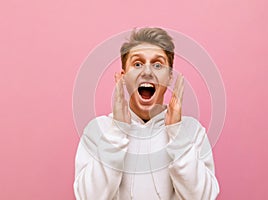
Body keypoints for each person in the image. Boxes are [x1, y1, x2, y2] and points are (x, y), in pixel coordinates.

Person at [73, 27, 220, 200]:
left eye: (158, 65)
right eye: (137, 64)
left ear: (170, 77)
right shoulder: (98, 130)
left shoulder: (192, 131)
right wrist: (117, 131)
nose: (148, 72)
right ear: (123, 77)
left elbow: (203, 197)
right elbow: (88, 197)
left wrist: (177, 134)